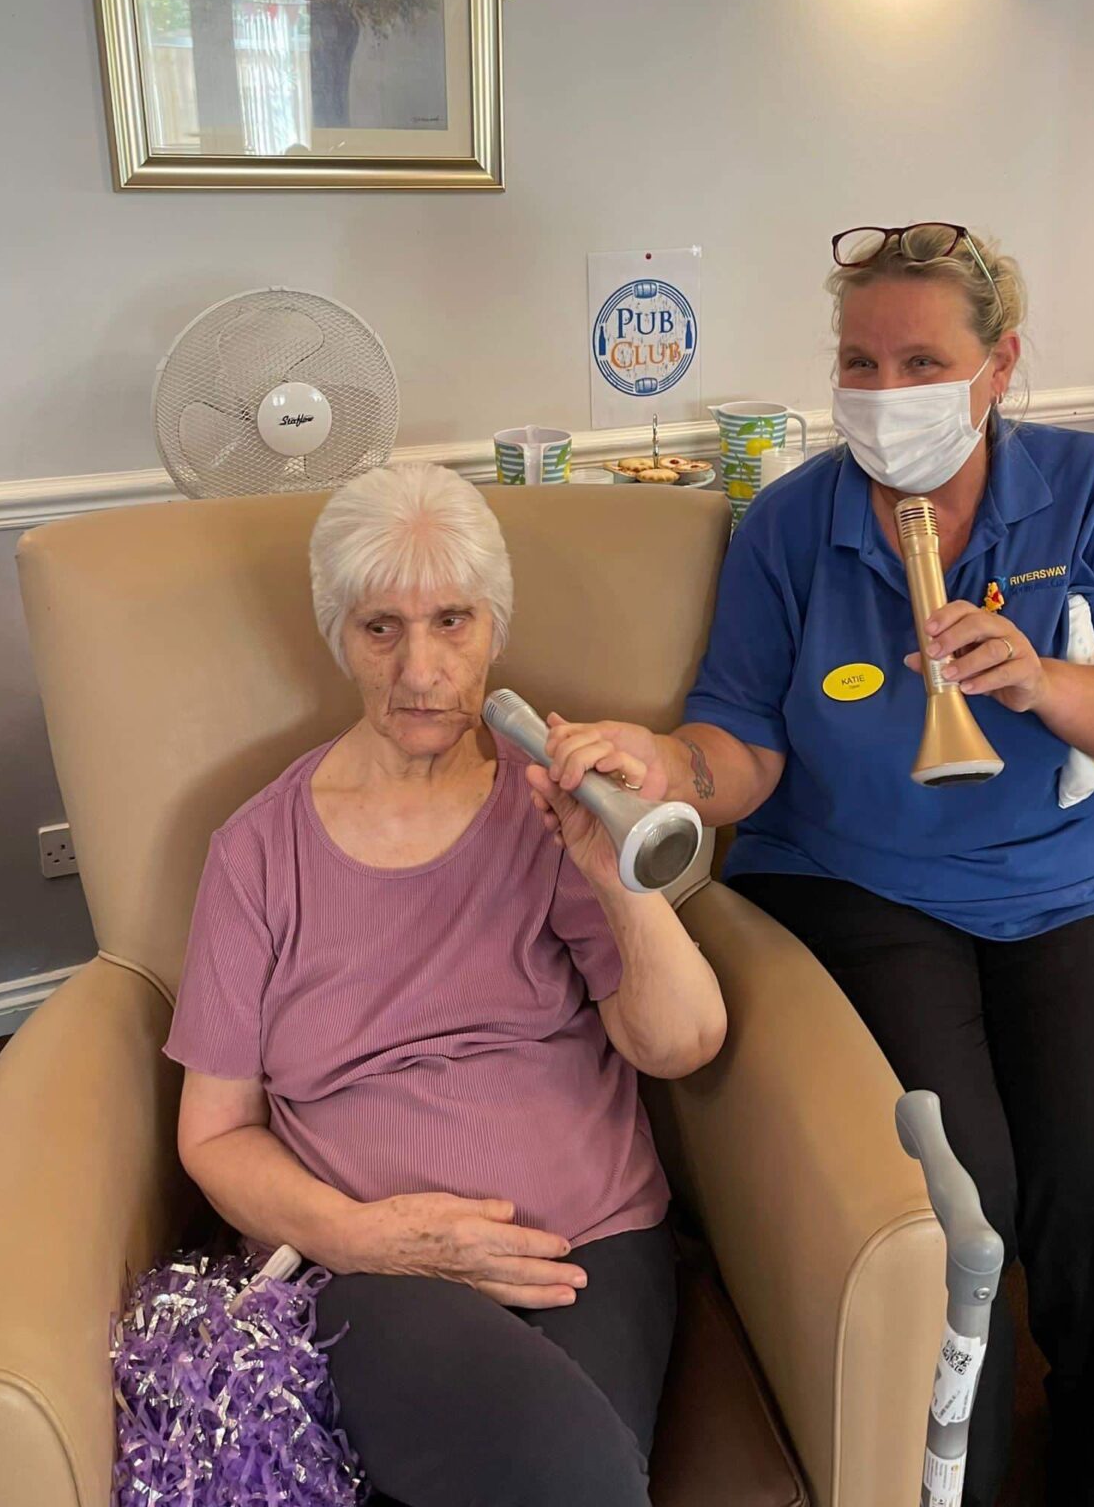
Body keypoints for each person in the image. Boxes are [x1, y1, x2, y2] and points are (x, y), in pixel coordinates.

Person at [543, 224, 1094, 1507]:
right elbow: (742, 748)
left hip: (1061, 884)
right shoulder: (794, 524)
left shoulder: (1090, 487)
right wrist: (662, 764)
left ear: (999, 366)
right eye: (861, 362)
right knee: (964, 1190)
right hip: (857, 884)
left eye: (922, 363)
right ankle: (955, 1476)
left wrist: (1045, 682)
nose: (885, 393)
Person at [164, 463, 727, 1507]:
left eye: (452, 621)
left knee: (576, 1474)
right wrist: (369, 1238)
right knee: (577, 1476)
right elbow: (215, 1133)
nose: (420, 668)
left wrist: (618, 881)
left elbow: (682, 1042)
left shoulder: (553, 807)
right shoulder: (256, 852)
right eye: (381, 627)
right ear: (340, 637)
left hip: (589, 1240)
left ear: (494, 630)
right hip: (374, 1268)